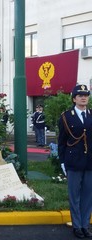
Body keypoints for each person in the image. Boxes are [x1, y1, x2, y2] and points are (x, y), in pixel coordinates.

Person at [58, 84, 92, 239]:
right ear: (74, 98)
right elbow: (62, 142)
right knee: (74, 196)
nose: (84, 97)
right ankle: (77, 226)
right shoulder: (66, 116)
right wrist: (63, 162)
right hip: (73, 161)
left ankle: (85, 225)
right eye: (80, 95)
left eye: (86, 95)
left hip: (90, 162)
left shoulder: (91, 115)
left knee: (88, 195)